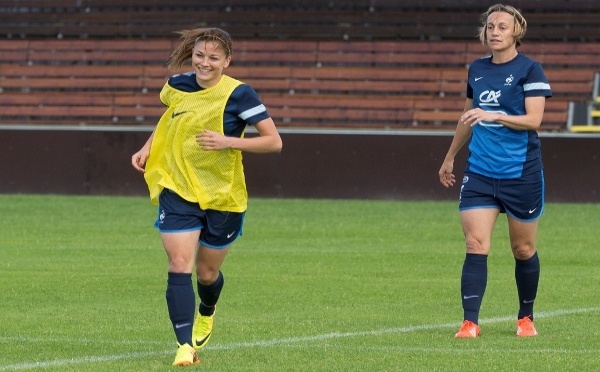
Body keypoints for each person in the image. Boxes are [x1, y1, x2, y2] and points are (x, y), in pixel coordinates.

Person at [131, 27, 282, 366]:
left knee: (206, 274)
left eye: (214, 57)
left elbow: (274, 141)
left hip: (223, 196)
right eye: (200, 55)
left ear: (227, 61)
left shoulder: (240, 95)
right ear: (192, 55)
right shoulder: (177, 86)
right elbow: (171, 116)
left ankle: (207, 309)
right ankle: (185, 346)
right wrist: (148, 146)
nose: (205, 62)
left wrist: (228, 141)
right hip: (178, 187)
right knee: (178, 264)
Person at [438, 4, 551, 338]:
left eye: (503, 26)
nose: (495, 31)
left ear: (517, 32)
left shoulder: (531, 70)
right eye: (490, 26)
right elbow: (468, 116)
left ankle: (525, 317)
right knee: (475, 244)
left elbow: (534, 120)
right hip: (481, 172)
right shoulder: (477, 69)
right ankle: (470, 322)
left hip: (521, 173)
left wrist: (495, 115)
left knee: (523, 249)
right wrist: (449, 157)